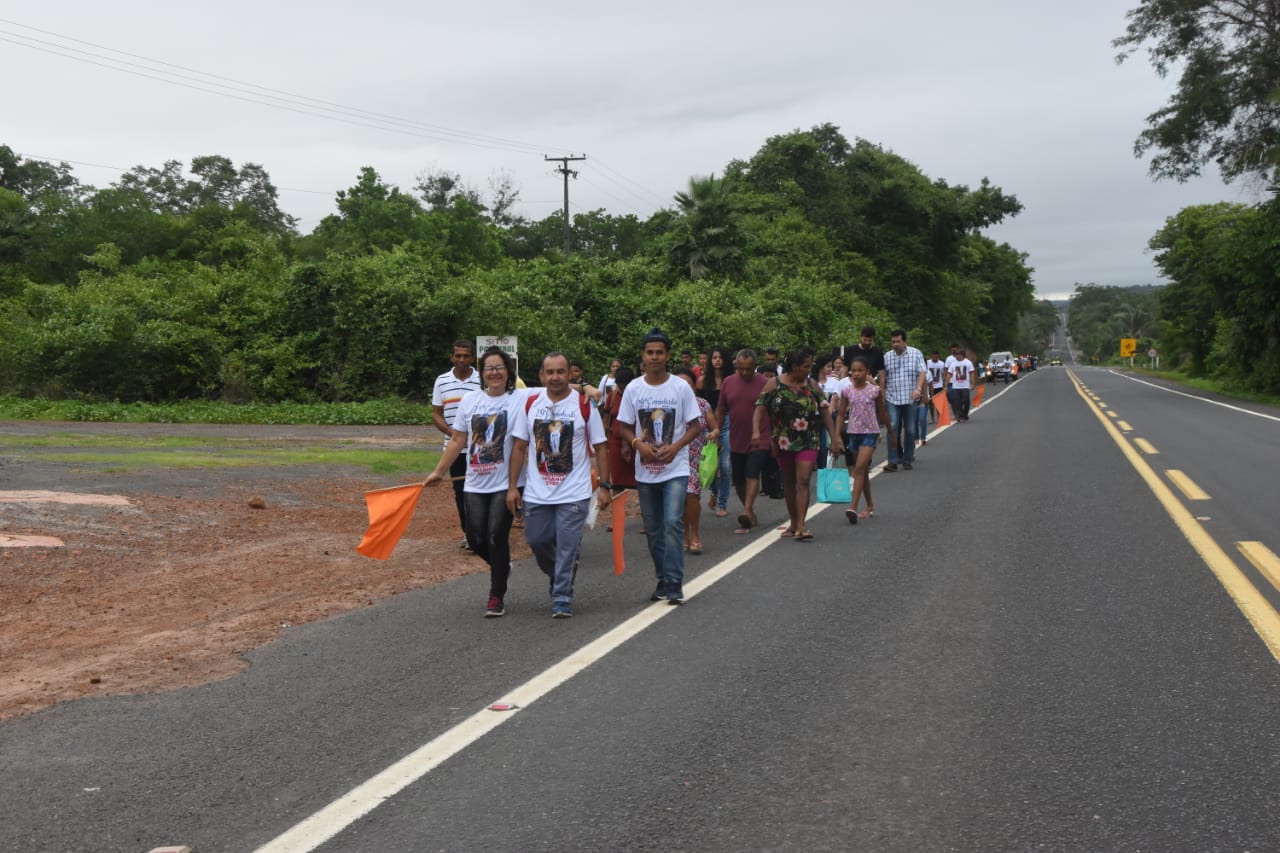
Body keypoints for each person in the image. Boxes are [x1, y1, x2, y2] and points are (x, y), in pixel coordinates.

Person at [507, 352, 611, 618]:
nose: (555, 377)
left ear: (570, 374)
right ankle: (560, 574)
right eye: (549, 372)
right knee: (537, 540)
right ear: (542, 375)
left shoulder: (584, 405)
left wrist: (605, 485)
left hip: (574, 491)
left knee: (567, 544)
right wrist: (512, 488)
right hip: (537, 491)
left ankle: (562, 595)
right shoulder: (531, 404)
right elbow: (519, 446)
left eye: (560, 372)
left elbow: (600, 447)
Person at [424, 347, 523, 617]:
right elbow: (458, 440)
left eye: (499, 367)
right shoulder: (470, 402)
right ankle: (502, 567)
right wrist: (439, 471)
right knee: (474, 536)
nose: (494, 372)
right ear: (482, 373)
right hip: (476, 483)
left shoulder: (521, 398)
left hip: (506, 483)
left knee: (495, 535)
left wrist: (586, 390)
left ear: (508, 371)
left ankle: (496, 596)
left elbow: (554, 387)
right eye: (489, 368)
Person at [617, 328, 703, 605]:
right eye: (650, 352)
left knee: (671, 523)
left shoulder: (680, 388)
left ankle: (675, 581)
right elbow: (624, 427)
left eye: (659, 352)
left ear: (667, 355)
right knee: (653, 528)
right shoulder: (634, 388)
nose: (655, 357)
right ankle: (663, 578)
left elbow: (695, 425)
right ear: (643, 356)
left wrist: (676, 447)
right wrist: (638, 446)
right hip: (646, 470)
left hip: (675, 467)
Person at [751, 348, 843, 542]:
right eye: (806, 366)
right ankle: (793, 523)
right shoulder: (773, 384)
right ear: (794, 366)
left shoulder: (812, 385)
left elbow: (825, 412)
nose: (809, 370)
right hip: (783, 440)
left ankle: (801, 525)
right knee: (790, 483)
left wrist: (834, 438)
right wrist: (757, 432)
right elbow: (760, 408)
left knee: (803, 480)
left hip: (808, 439)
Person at [431, 339, 481, 548]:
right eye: (458, 356)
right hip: (454, 449)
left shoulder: (482, 380)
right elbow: (436, 414)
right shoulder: (442, 381)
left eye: (466, 356)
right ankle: (469, 535)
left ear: (473, 358)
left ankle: (482, 533)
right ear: (451, 357)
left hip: (480, 448)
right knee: (460, 492)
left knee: (479, 491)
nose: (462, 359)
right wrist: (454, 433)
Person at [715, 349, 771, 534]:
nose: (745, 373)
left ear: (756, 366)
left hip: (760, 437)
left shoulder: (766, 383)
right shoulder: (728, 382)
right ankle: (750, 510)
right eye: (741, 369)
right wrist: (716, 430)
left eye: (749, 369)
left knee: (752, 473)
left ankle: (746, 510)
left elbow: (774, 411)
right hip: (737, 437)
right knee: (738, 478)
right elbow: (721, 409)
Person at [836, 356, 892, 523]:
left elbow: (882, 414)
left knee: (859, 468)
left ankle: (852, 507)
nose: (856, 374)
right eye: (854, 370)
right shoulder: (847, 390)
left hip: (870, 433)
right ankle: (869, 505)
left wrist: (892, 434)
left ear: (868, 372)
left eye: (861, 370)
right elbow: (840, 414)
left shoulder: (875, 391)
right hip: (853, 433)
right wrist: (836, 436)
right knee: (862, 472)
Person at [674, 366, 719, 555]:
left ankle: (695, 536)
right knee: (680, 499)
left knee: (692, 496)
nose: (685, 386)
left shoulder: (702, 404)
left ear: (694, 385)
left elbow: (714, 427)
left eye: (688, 383)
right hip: (673, 456)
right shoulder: (669, 405)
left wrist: (713, 434)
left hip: (695, 457)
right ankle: (683, 536)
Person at [882, 329, 929, 472]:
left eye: (898, 341)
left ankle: (907, 458)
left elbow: (922, 373)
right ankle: (893, 460)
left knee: (910, 429)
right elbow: (883, 376)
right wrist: (882, 392)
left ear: (904, 342)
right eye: (893, 342)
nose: (895, 344)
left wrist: (919, 389)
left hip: (910, 398)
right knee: (893, 427)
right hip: (892, 398)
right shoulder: (887, 356)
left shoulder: (915, 353)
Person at [698, 347, 733, 517]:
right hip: (707, 425)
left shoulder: (731, 381)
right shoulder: (702, 381)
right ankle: (713, 492)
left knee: (725, 466)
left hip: (726, 422)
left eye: (720, 357)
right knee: (710, 463)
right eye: (714, 357)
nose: (717, 360)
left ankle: (722, 503)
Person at [948, 348, 976, 422]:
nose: (956, 356)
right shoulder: (953, 364)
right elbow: (949, 374)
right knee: (957, 402)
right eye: (956, 355)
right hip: (955, 386)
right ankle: (961, 415)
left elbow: (972, 373)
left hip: (965, 386)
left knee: (966, 400)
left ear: (962, 355)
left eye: (958, 355)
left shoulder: (968, 363)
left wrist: (972, 383)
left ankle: (965, 413)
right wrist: (946, 384)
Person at [925, 350, 947, 426]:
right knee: (931, 403)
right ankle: (932, 417)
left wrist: (944, 383)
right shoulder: (928, 363)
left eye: (936, 356)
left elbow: (943, 374)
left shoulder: (941, 364)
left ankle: (939, 417)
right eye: (933, 356)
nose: (935, 358)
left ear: (938, 356)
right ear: (931, 356)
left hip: (939, 385)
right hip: (930, 386)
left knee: (938, 402)